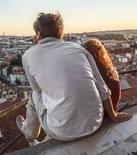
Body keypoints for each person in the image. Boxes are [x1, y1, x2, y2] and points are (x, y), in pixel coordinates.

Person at [16, 12, 131, 145]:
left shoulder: (28, 55)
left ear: (38, 33)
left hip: (62, 132)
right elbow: (102, 87)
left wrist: (35, 48)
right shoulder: (78, 49)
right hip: (95, 123)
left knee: (34, 94)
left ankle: (29, 134)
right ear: (61, 32)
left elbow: (37, 89)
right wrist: (114, 116)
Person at [83, 39, 130, 117]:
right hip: (110, 115)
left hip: (93, 118)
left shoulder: (84, 78)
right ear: (102, 54)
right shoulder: (111, 76)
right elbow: (115, 98)